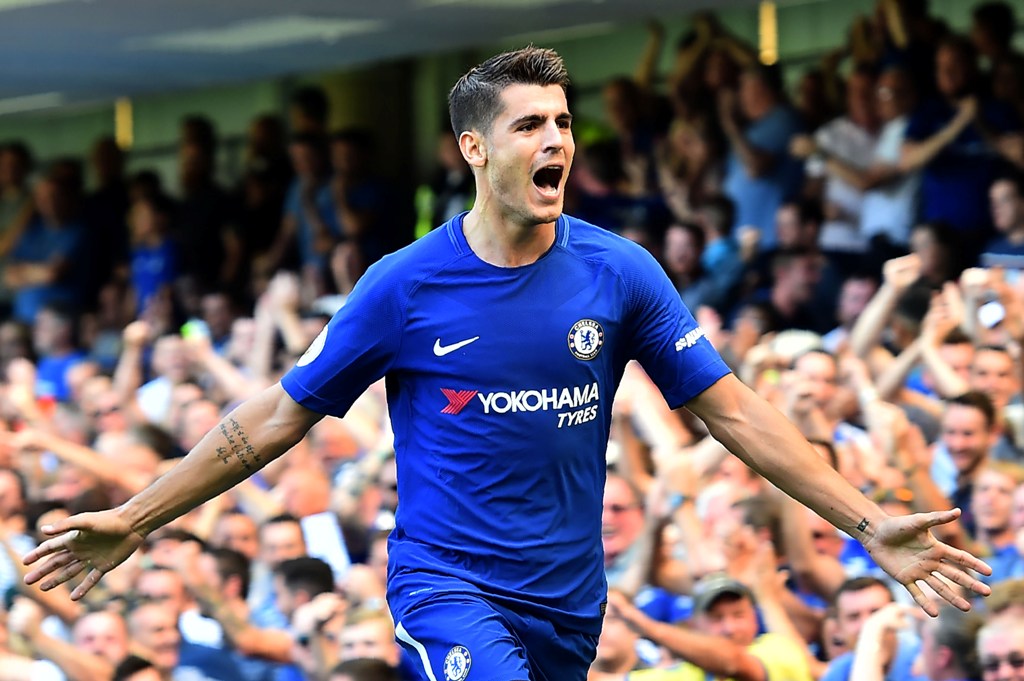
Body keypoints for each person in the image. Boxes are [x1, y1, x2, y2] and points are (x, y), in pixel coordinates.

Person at [23, 46, 992, 681]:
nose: (557, 140)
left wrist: (869, 525)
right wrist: (135, 518)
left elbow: (735, 413)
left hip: (571, 599)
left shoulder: (620, 272)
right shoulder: (401, 287)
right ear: (474, 148)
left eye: (564, 124)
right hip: (445, 584)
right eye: (532, 125)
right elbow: (271, 422)